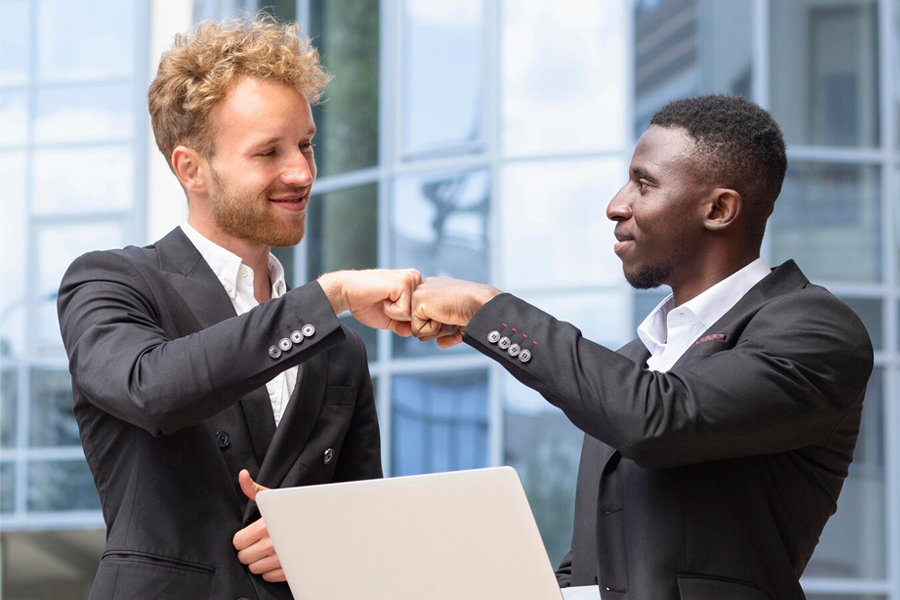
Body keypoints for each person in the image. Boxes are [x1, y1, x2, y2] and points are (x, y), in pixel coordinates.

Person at [410, 95, 874, 599]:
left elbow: (656, 420)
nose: (617, 205)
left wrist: (490, 309)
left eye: (644, 184)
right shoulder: (635, 361)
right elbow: (590, 565)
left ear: (719, 209)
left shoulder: (815, 329)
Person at [57, 16, 419, 600]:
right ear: (190, 169)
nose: (301, 172)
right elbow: (153, 389)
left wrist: (317, 539)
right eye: (268, 152)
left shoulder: (338, 347)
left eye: (304, 144)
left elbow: (361, 515)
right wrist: (331, 297)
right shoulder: (111, 281)